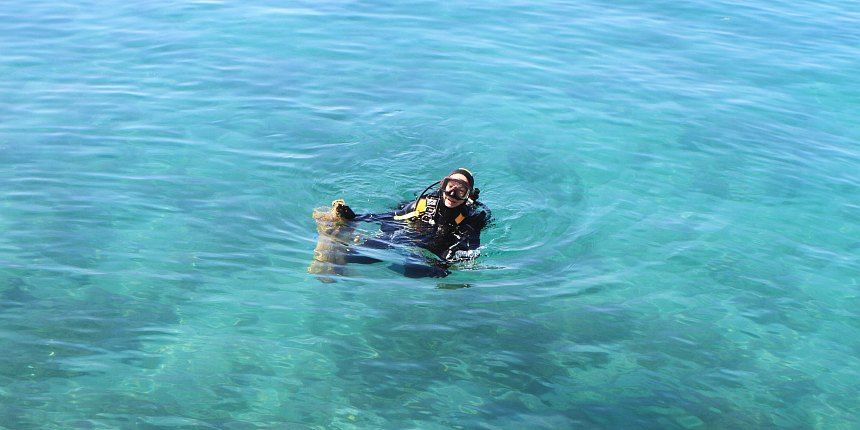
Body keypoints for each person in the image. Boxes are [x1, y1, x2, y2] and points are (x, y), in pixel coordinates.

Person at [336, 168, 491, 278]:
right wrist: (355, 217)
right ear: (443, 186)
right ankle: (343, 257)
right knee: (357, 255)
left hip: (439, 245)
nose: (452, 194)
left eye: (460, 191)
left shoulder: (471, 218)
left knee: (415, 272)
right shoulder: (425, 204)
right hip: (413, 234)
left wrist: (448, 263)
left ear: (467, 195)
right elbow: (393, 217)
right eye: (450, 187)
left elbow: (470, 249)